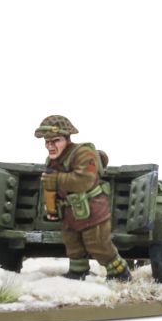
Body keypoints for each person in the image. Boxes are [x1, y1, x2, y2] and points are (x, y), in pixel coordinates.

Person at [36, 115, 131, 281]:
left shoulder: (83, 153)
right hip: (68, 211)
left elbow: (84, 180)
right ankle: (77, 272)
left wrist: (57, 179)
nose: (50, 146)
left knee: (99, 245)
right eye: (47, 142)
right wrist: (52, 208)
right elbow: (51, 186)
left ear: (67, 139)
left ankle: (119, 273)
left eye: (55, 141)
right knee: (73, 244)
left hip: (92, 209)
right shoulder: (52, 160)